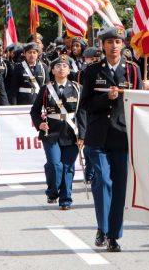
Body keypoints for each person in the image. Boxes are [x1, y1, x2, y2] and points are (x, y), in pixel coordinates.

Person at [80, 27, 142, 252]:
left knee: (119, 187)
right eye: (110, 42)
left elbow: (140, 105)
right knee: (102, 181)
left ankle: (114, 235)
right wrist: (106, 98)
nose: (114, 46)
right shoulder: (92, 71)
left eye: (118, 41)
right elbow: (85, 104)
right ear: (102, 45)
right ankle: (103, 227)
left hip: (122, 136)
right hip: (98, 136)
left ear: (123, 44)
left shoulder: (133, 71)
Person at [30, 54, 86, 210]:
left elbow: (82, 113)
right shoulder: (46, 89)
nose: (62, 68)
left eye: (65, 66)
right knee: (55, 165)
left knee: (68, 166)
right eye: (58, 66)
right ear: (53, 70)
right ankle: (52, 191)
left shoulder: (77, 88)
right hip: (51, 133)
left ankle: (65, 199)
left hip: (71, 132)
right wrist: (39, 124)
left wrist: (82, 135)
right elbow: (34, 111)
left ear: (69, 70)